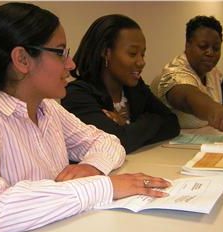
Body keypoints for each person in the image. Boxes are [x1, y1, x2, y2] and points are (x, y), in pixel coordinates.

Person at [0, 3, 171, 232]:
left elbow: (109, 142)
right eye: (60, 52)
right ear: (22, 59)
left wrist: (92, 167)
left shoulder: (48, 108)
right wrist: (105, 186)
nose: (71, 64)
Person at [61, 14, 180, 154]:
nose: (141, 62)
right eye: (133, 53)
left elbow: (172, 123)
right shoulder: (77, 95)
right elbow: (116, 142)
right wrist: (143, 125)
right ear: (106, 52)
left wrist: (128, 126)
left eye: (143, 54)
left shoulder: (135, 88)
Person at [150, 15, 223, 134]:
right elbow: (187, 96)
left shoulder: (213, 72)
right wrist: (213, 109)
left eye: (216, 48)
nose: (210, 52)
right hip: (168, 148)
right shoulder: (173, 72)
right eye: (203, 46)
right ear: (187, 45)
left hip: (203, 140)